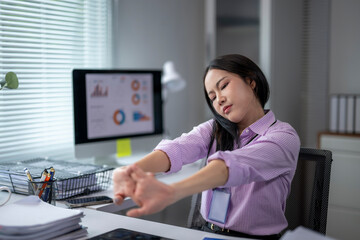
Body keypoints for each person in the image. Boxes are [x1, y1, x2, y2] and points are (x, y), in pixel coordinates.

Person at [112, 54, 300, 240]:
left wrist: (172, 192)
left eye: (224, 86)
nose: (219, 99)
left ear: (251, 81)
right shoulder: (215, 129)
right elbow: (177, 148)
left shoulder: (283, 137)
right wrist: (130, 171)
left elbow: (231, 166)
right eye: (212, 97)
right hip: (208, 234)